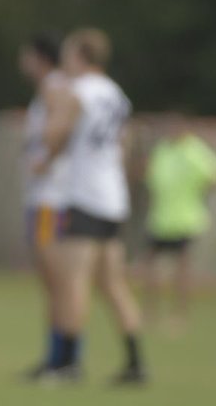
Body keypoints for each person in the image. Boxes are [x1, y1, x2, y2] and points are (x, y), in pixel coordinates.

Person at [36, 27, 145, 384]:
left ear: (80, 55)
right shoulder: (116, 93)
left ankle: (67, 363)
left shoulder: (77, 91)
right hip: (113, 197)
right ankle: (135, 360)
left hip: (84, 195)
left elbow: (56, 135)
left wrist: (45, 160)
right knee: (113, 283)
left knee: (74, 281)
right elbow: (124, 143)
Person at [17, 31, 73, 377]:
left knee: (57, 280)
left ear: (39, 57)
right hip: (43, 198)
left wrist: (47, 157)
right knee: (53, 280)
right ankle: (59, 355)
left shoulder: (54, 85)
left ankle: (62, 358)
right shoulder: (49, 88)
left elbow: (64, 124)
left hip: (50, 197)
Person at [141, 109, 216, 332]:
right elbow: (151, 176)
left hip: (186, 219)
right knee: (150, 267)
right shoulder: (162, 150)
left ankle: (179, 315)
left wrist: (196, 194)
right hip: (160, 218)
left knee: (182, 269)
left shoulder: (195, 151)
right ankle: (149, 312)